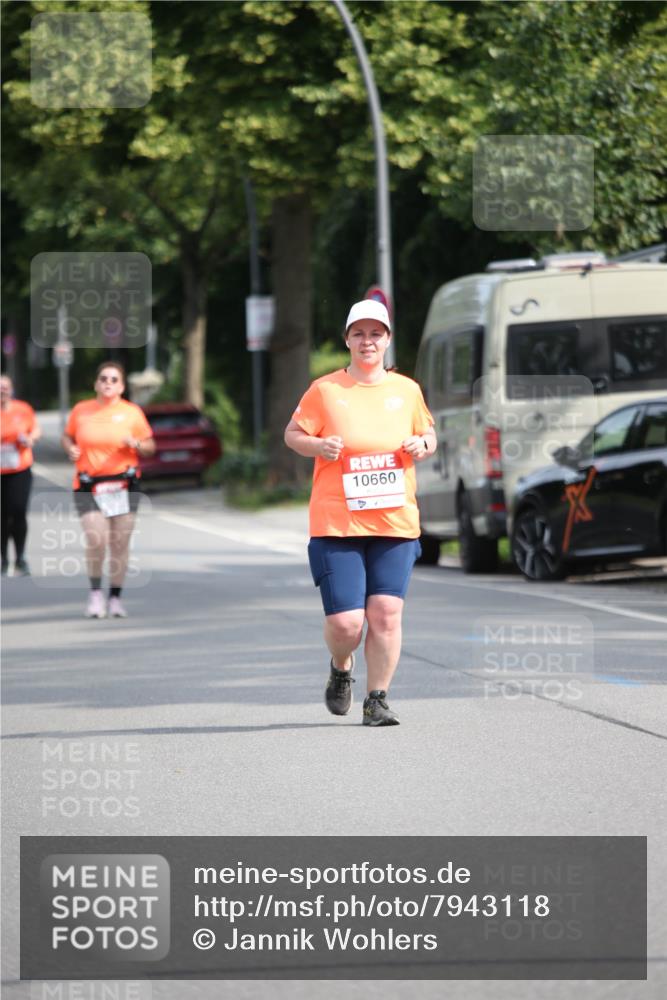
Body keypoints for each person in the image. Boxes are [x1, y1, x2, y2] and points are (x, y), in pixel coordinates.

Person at [284, 300, 435, 727]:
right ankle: (341, 666)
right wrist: (318, 445)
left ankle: (376, 700)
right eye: (359, 334)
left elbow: (428, 433)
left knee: (385, 614)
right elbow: (293, 434)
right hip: (338, 523)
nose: (367, 341)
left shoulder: (407, 390)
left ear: (387, 340)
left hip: (394, 522)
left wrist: (423, 445)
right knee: (347, 624)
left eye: (375, 334)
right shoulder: (325, 390)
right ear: (347, 339)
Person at [61, 362, 155, 619]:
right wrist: (70, 448)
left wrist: (136, 443)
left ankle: (115, 597)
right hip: (89, 484)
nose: (108, 383)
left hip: (123, 484)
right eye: (103, 378)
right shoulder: (81, 410)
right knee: (96, 539)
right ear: (96, 383)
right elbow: (67, 436)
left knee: (119, 542)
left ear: (122, 387)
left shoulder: (132, 413)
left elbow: (150, 447)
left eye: (114, 379)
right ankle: (95, 594)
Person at [1, 374, 41, 576]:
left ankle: (20, 557)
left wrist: (30, 439)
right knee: (2, 515)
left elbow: (36, 430)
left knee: (18, 510)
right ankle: (3, 559)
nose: (2, 391)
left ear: (12, 389)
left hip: (20, 469)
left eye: (5, 387)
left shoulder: (23, 409)